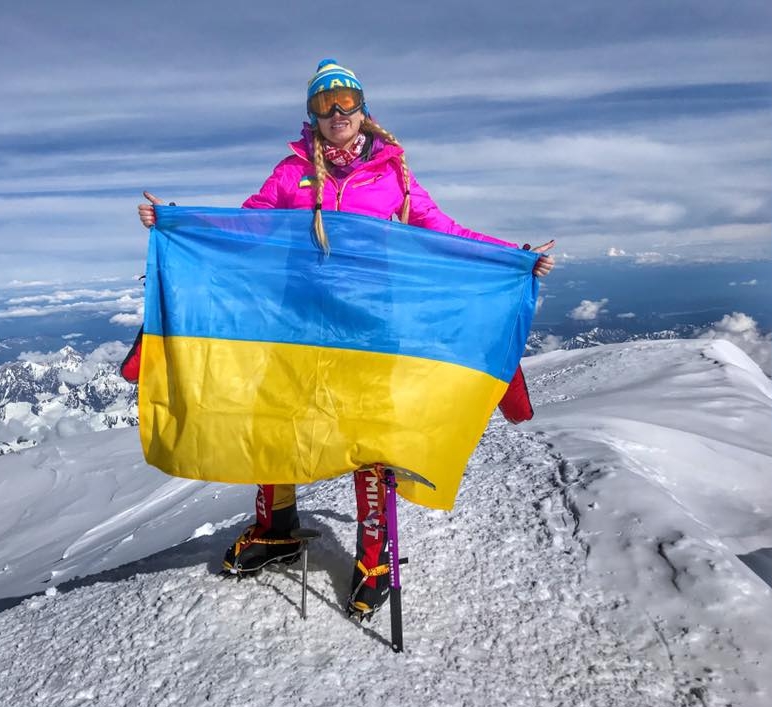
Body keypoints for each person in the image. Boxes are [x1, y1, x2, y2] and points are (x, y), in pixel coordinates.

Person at [137, 59, 554, 617]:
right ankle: (275, 527)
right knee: (278, 419)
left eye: (346, 100)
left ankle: (374, 556)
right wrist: (179, 223)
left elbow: (443, 230)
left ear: (363, 108)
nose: (337, 112)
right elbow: (251, 225)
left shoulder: (394, 173)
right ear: (311, 114)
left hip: (369, 327)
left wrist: (512, 257)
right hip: (297, 325)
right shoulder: (291, 173)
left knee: (368, 434)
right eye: (323, 102)